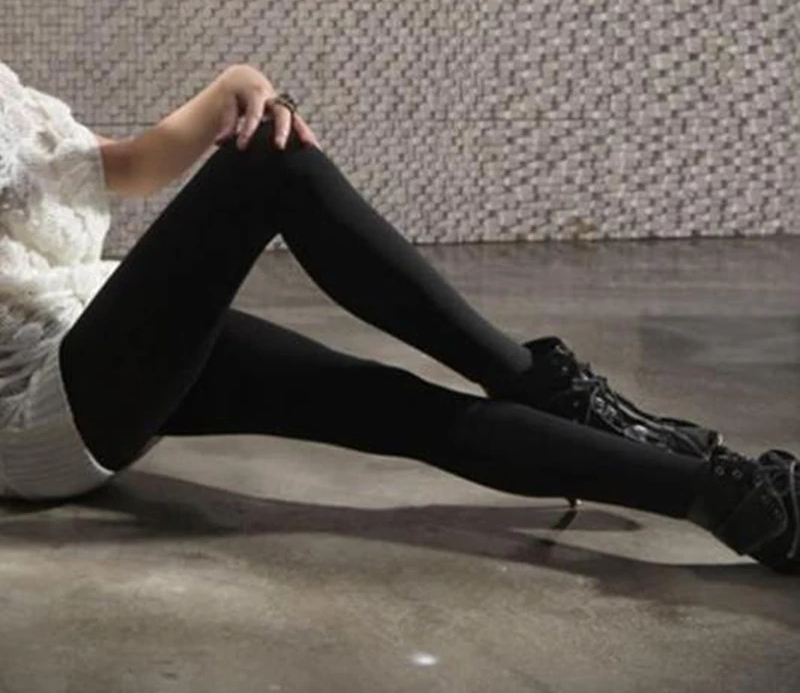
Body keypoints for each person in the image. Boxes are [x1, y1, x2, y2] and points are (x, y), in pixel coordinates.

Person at [0, 61, 796, 575]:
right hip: (39, 404)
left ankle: (734, 502)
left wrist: (230, 88)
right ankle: (549, 387)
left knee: (392, 404)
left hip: (95, 324)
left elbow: (126, 167)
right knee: (269, 167)